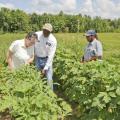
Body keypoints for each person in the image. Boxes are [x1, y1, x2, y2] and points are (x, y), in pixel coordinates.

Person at [35, 23, 57, 90]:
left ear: (50, 32)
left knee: (49, 78)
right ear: (42, 29)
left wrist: (46, 67)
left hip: (47, 59)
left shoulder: (53, 40)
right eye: (45, 30)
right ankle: (38, 91)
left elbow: (51, 55)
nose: (46, 32)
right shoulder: (36, 35)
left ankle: (50, 96)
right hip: (37, 58)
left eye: (48, 31)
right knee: (37, 77)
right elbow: (31, 45)